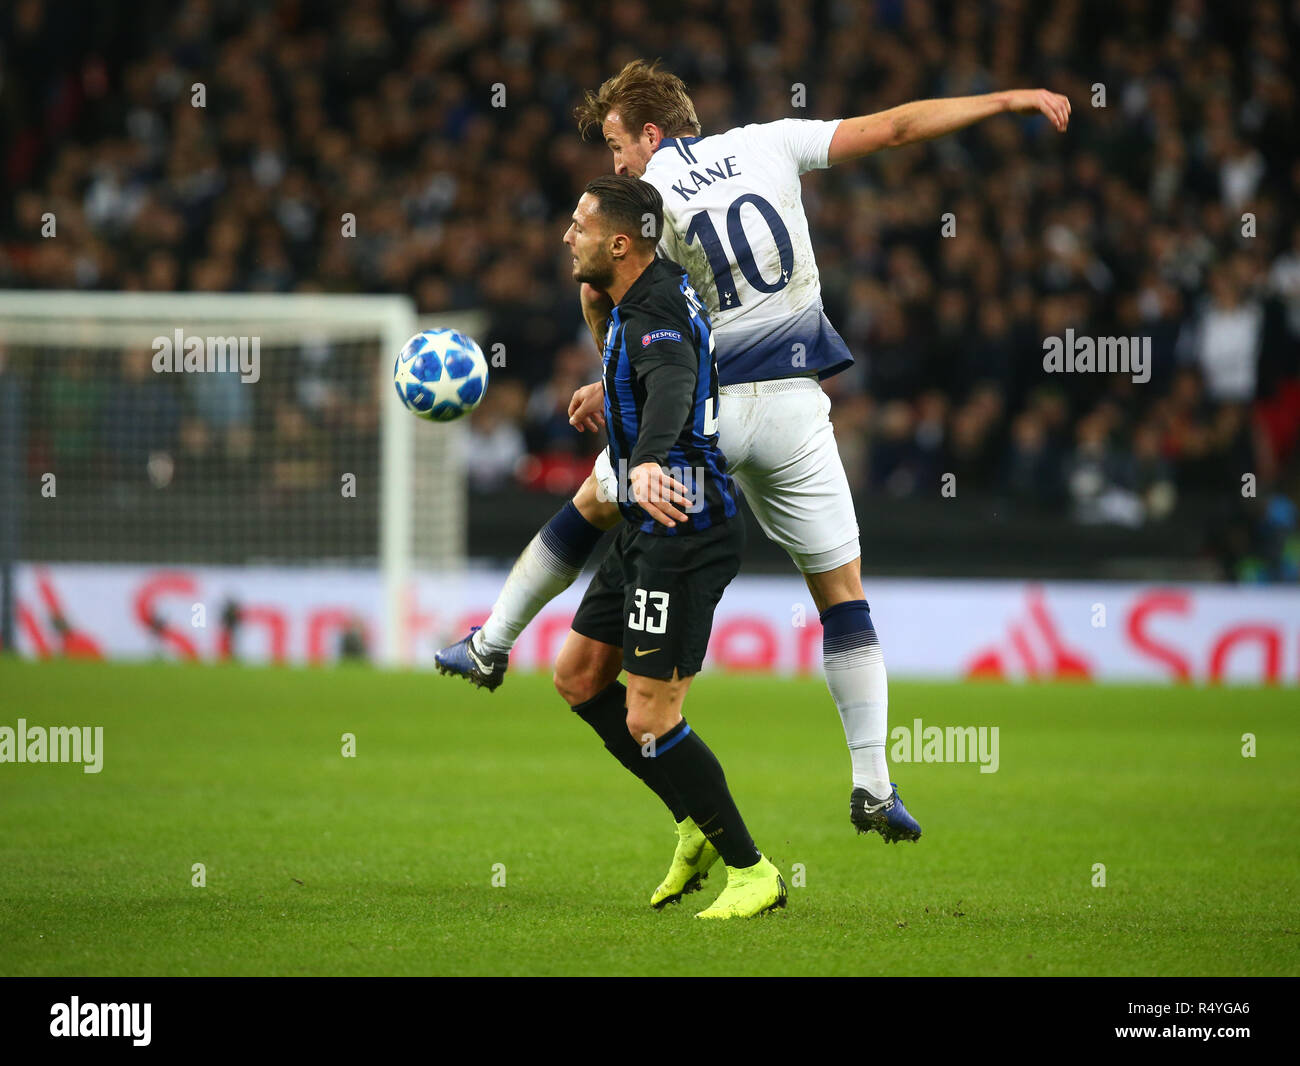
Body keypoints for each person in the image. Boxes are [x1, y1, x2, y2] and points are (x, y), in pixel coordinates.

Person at [439, 59, 1071, 860]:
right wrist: (1007, 97)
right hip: (798, 411)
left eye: (616, 144)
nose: (616, 165)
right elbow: (899, 126)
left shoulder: (644, 202)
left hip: (711, 407)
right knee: (843, 596)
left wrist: (612, 379)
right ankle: (875, 783)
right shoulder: (777, 141)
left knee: (599, 501)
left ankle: (491, 643)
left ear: (652, 133)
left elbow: (604, 290)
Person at [554, 174, 784, 918]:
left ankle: (753, 872)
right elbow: (658, 367)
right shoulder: (654, 285)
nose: (568, 237)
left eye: (581, 228)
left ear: (620, 244)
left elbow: (677, 379)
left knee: (651, 718)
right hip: (645, 521)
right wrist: (608, 388)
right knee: (581, 677)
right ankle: (694, 820)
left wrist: (649, 455)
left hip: (684, 524)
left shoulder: (650, 308)